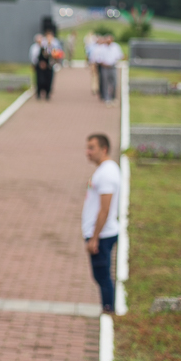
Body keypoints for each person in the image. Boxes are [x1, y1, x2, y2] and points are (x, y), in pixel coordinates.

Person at [82, 133, 120, 313]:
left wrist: (94, 238)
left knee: (103, 276)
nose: (87, 152)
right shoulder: (105, 169)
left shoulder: (107, 173)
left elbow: (104, 209)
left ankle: (108, 310)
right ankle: (108, 307)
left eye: (91, 148)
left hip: (102, 235)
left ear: (103, 149)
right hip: (100, 234)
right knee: (101, 276)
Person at [96, 36, 123, 105]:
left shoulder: (116, 47)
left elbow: (120, 55)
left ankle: (113, 97)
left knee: (114, 83)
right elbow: (98, 58)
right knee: (105, 83)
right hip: (104, 67)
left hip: (112, 66)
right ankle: (106, 98)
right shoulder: (102, 48)